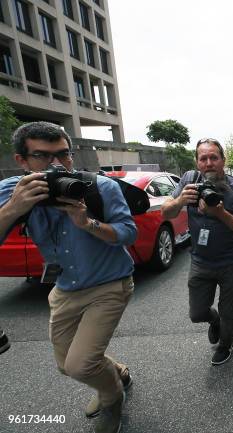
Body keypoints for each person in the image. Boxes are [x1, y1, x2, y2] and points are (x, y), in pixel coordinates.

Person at [0, 122, 137, 433]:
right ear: (22, 161)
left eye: (64, 155)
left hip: (109, 284)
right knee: (66, 365)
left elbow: (128, 233)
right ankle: (118, 373)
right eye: (43, 157)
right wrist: (13, 208)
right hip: (65, 289)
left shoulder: (100, 188)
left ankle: (111, 396)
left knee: (80, 365)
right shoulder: (13, 191)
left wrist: (86, 222)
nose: (58, 165)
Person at [161, 138, 233, 365]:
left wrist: (220, 213)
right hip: (200, 261)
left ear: (223, 160)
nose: (209, 162)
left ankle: (226, 343)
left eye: (214, 157)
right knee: (197, 312)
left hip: (231, 262)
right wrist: (180, 200)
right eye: (203, 158)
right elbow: (166, 212)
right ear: (197, 162)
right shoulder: (189, 181)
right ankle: (214, 321)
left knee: (229, 310)